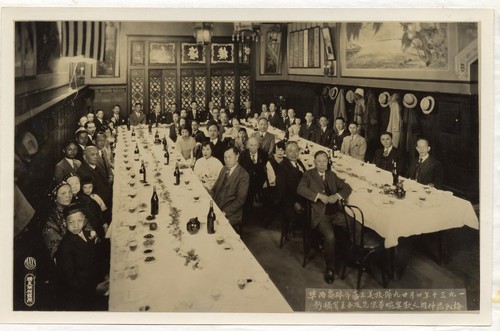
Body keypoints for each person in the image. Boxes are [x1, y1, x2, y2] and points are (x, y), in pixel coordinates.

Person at [297, 150, 352, 284]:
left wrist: (337, 196)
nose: (322, 164)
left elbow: (347, 187)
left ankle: (352, 257)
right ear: (314, 162)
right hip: (320, 215)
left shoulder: (331, 175)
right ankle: (330, 268)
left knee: (355, 225)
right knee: (330, 236)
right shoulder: (308, 175)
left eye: (325, 161)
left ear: (328, 162)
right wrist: (319, 196)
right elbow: (301, 189)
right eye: (319, 161)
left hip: (335, 213)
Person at [55, 203, 109, 311]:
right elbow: (70, 279)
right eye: (71, 222)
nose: (76, 225)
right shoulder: (65, 247)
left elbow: (98, 258)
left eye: (79, 221)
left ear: (84, 220)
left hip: (97, 281)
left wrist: (105, 274)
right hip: (83, 294)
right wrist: (94, 288)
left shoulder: (87, 234)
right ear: (65, 223)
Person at [211, 147, 250, 228]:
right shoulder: (224, 169)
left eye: (229, 157)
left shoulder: (243, 175)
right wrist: (211, 203)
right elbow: (215, 188)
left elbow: (240, 200)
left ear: (237, 157)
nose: (227, 160)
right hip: (216, 205)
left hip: (231, 212)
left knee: (216, 227)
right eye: (225, 157)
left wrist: (225, 212)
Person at [278, 141, 307, 240]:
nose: (294, 154)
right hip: (290, 203)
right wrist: (294, 203)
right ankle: (312, 241)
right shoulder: (282, 167)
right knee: (314, 215)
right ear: (285, 153)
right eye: (290, 151)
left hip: (303, 196)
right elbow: (283, 191)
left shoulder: (299, 162)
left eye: (296, 151)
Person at [40, 182, 74, 260]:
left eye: (70, 192)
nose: (68, 196)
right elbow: (56, 252)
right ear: (55, 197)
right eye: (63, 193)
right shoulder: (50, 219)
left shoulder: (75, 209)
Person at [239, 137, 269, 218]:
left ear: (258, 146)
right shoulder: (243, 155)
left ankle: (264, 217)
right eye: (251, 145)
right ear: (248, 145)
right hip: (247, 181)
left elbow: (267, 170)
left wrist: (266, 181)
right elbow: (240, 170)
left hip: (260, 181)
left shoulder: (264, 155)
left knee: (267, 196)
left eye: (255, 145)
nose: (253, 147)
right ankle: (247, 215)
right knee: (246, 197)